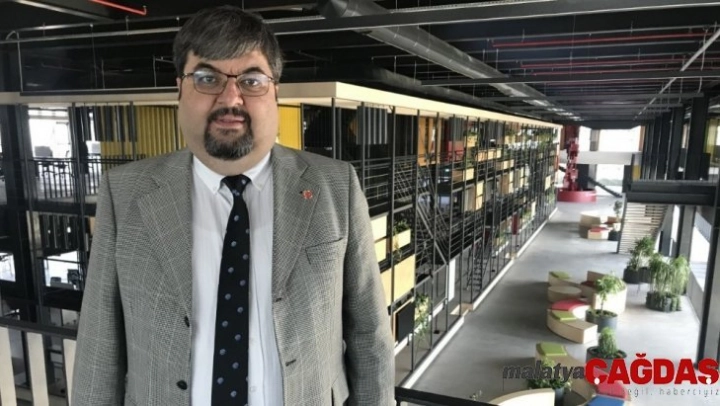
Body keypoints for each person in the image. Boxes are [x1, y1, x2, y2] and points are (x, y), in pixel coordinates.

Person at [71, 5, 395, 406]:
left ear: (275, 91)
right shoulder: (125, 194)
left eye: (251, 80)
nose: (230, 98)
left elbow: (369, 335)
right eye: (207, 78)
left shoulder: (336, 186)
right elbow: (98, 346)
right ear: (179, 89)